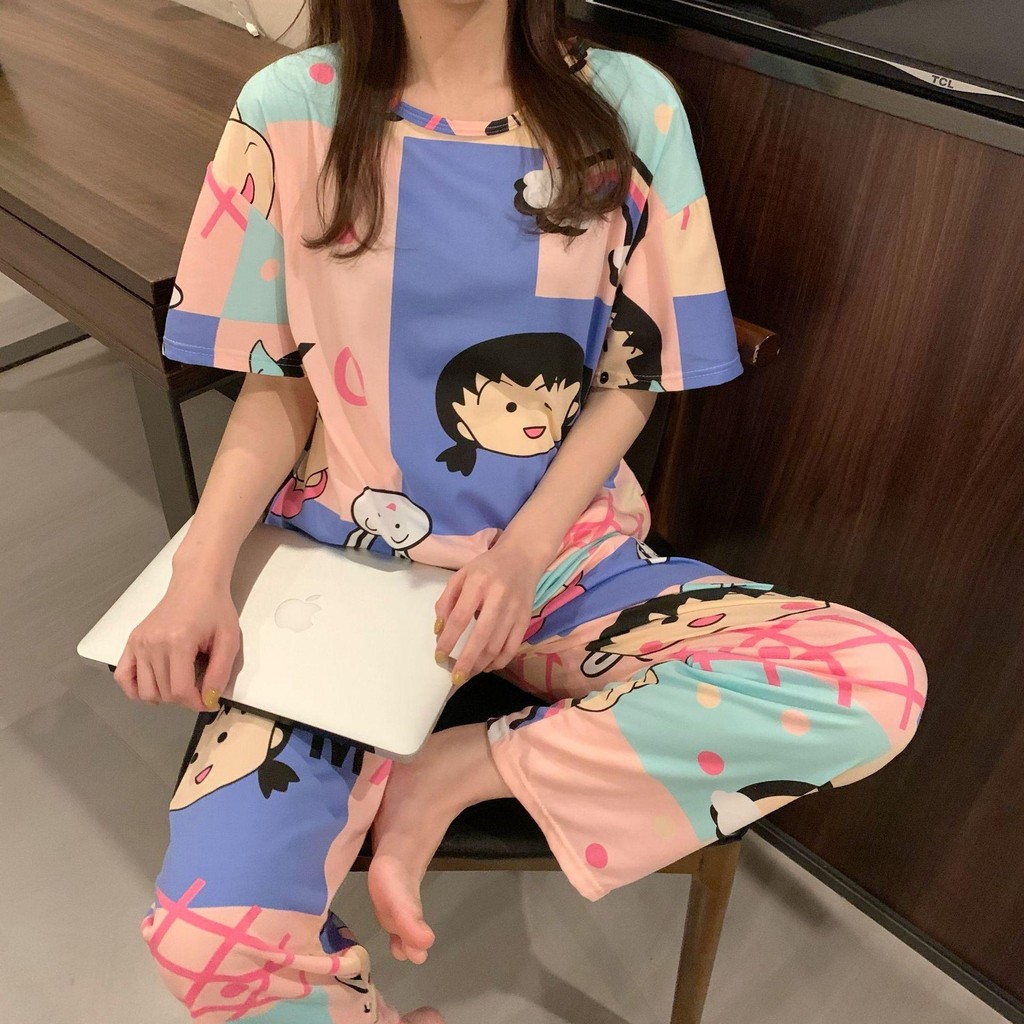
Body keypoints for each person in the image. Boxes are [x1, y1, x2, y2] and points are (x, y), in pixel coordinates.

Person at [115, 2, 929, 1021]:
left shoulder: (628, 108)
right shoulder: (286, 109)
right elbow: (274, 383)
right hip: (342, 577)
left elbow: (633, 375)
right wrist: (197, 574)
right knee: (206, 943)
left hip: (567, 562)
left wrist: (516, 573)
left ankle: (452, 770)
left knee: (870, 684)